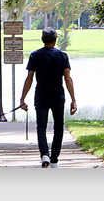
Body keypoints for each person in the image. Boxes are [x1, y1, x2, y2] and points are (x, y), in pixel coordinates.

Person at [19, 27, 77, 168]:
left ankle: (44, 154)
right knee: (58, 127)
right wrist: (73, 100)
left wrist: (22, 98)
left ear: (42, 40)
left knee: (41, 126)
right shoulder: (62, 56)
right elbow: (68, 79)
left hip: (41, 95)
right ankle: (54, 159)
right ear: (55, 39)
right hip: (58, 96)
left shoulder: (35, 55)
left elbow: (29, 78)